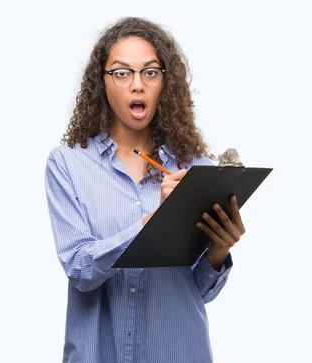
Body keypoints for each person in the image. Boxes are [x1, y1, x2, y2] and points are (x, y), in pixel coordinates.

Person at [44, 17, 245, 363]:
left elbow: (197, 292)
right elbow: (80, 269)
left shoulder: (196, 169)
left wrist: (218, 250)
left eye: (150, 72)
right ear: (102, 82)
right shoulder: (68, 164)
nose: (137, 84)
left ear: (164, 83)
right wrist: (154, 222)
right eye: (122, 73)